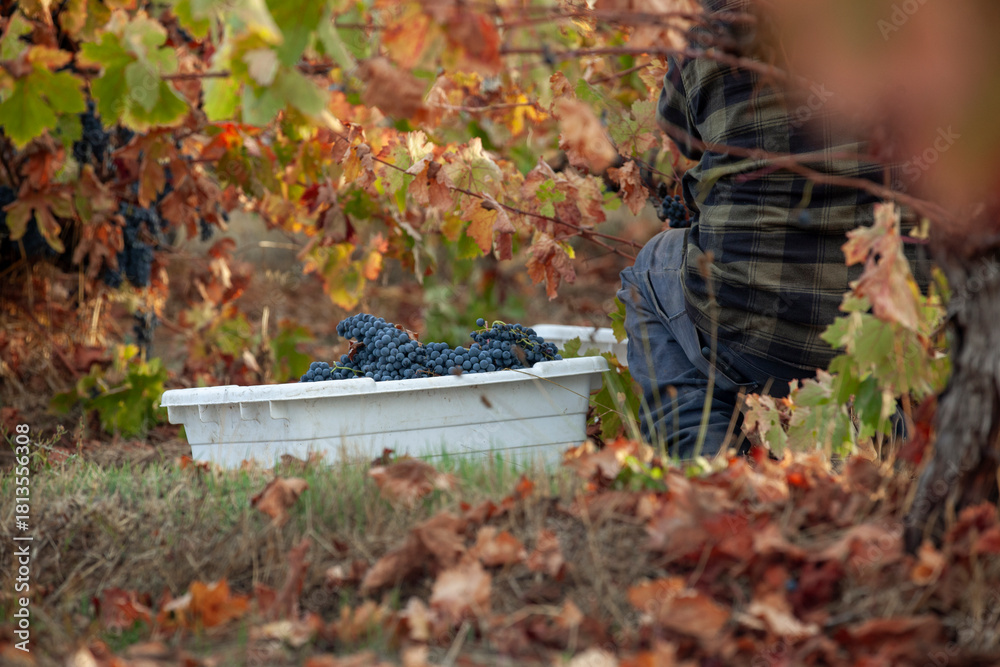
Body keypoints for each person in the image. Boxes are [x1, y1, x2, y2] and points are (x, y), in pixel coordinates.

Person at [618, 0, 930, 458]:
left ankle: (706, 464)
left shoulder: (707, 14)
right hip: (893, 325)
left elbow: (680, 131)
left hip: (757, 333)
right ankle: (886, 435)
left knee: (653, 268)